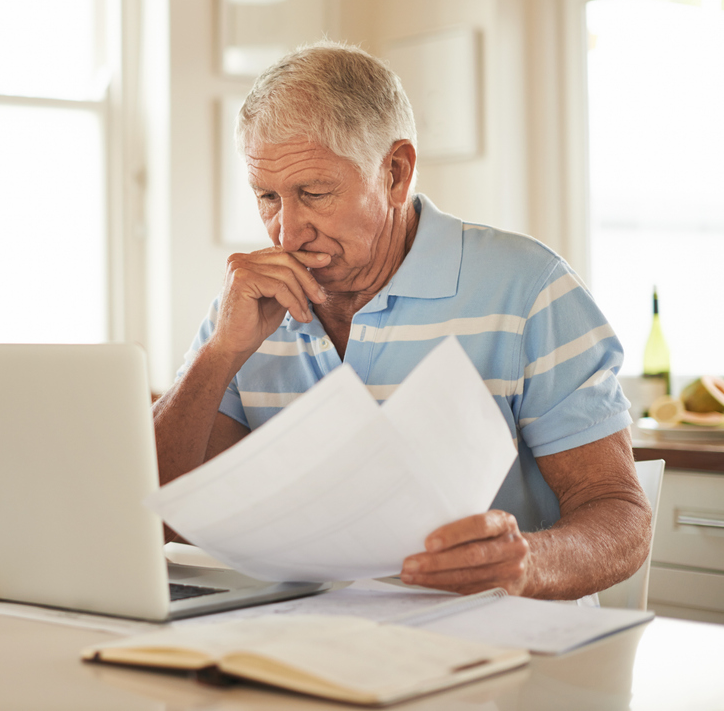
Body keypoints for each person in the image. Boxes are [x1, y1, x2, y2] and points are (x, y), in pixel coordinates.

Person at [153, 41, 651, 600]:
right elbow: (161, 521)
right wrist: (219, 354)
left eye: (314, 193)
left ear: (395, 172)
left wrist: (526, 563)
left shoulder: (529, 288)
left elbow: (621, 515)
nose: (285, 233)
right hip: (305, 649)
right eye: (267, 196)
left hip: (498, 649)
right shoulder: (246, 306)